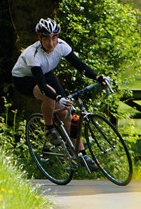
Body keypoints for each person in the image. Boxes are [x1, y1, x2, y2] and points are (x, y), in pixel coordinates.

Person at [12, 17, 108, 171]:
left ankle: (81, 153)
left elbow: (80, 65)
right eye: (46, 39)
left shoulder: (62, 46)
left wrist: (98, 77)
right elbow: (42, 85)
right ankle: (49, 130)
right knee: (50, 95)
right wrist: (57, 98)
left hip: (46, 73)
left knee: (67, 112)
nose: (51, 43)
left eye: (54, 38)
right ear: (39, 38)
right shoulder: (33, 54)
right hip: (25, 79)